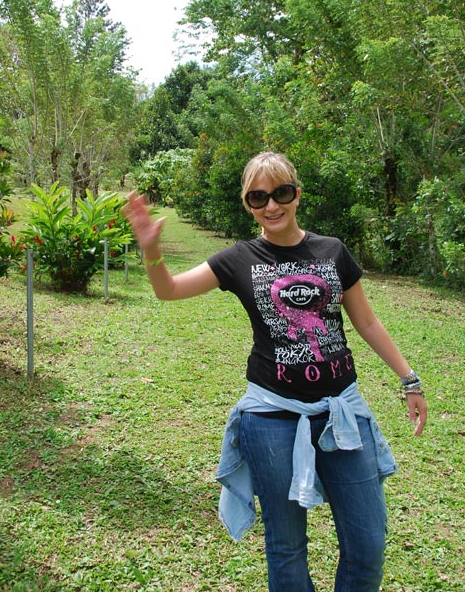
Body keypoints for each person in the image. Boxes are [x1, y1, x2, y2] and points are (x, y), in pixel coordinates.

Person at [122, 151, 427, 592]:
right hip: (270, 417)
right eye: (258, 197)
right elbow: (168, 291)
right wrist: (151, 250)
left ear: (297, 194)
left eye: (280, 192)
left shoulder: (332, 251)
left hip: (341, 411)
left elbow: (366, 322)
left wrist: (408, 378)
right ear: (247, 204)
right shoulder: (238, 258)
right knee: (286, 546)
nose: (271, 205)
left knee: (367, 543)